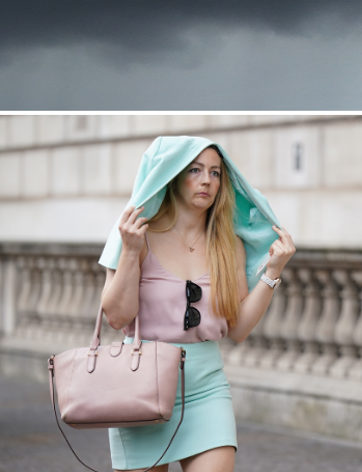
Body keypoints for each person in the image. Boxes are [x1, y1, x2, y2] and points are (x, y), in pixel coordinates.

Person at [98, 136, 295, 472]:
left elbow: (239, 329)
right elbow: (117, 317)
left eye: (215, 173)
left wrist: (272, 273)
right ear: (173, 176)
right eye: (195, 170)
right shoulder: (135, 235)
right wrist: (130, 252)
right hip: (140, 386)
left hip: (207, 391)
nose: (207, 180)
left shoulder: (228, 245)